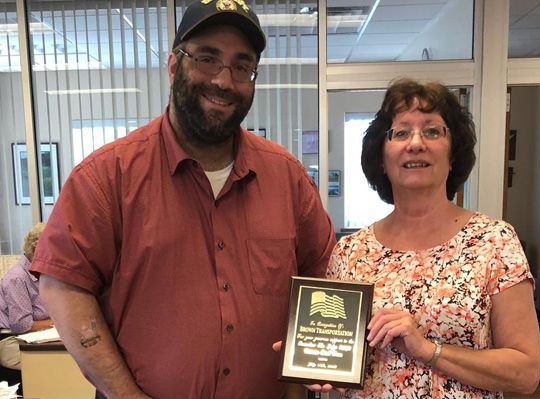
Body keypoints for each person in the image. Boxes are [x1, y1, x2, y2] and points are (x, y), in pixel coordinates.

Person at [30, 1, 335, 398]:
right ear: (174, 65)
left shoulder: (287, 178)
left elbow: (322, 279)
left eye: (241, 66)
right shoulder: (107, 177)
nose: (224, 81)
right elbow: (63, 287)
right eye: (207, 58)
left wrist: (300, 384)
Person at [325, 78, 540, 398]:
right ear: (381, 159)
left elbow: (525, 374)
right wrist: (314, 364)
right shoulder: (351, 253)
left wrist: (427, 349)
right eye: (401, 132)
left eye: (432, 130)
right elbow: (342, 362)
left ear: (453, 154)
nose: (415, 143)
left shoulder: (494, 243)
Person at [0, 222, 52, 370]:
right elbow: (22, 325)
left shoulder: (44, 274)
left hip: (41, 337)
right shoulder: (17, 278)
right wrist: (58, 323)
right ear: (38, 250)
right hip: (11, 340)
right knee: (54, 364)